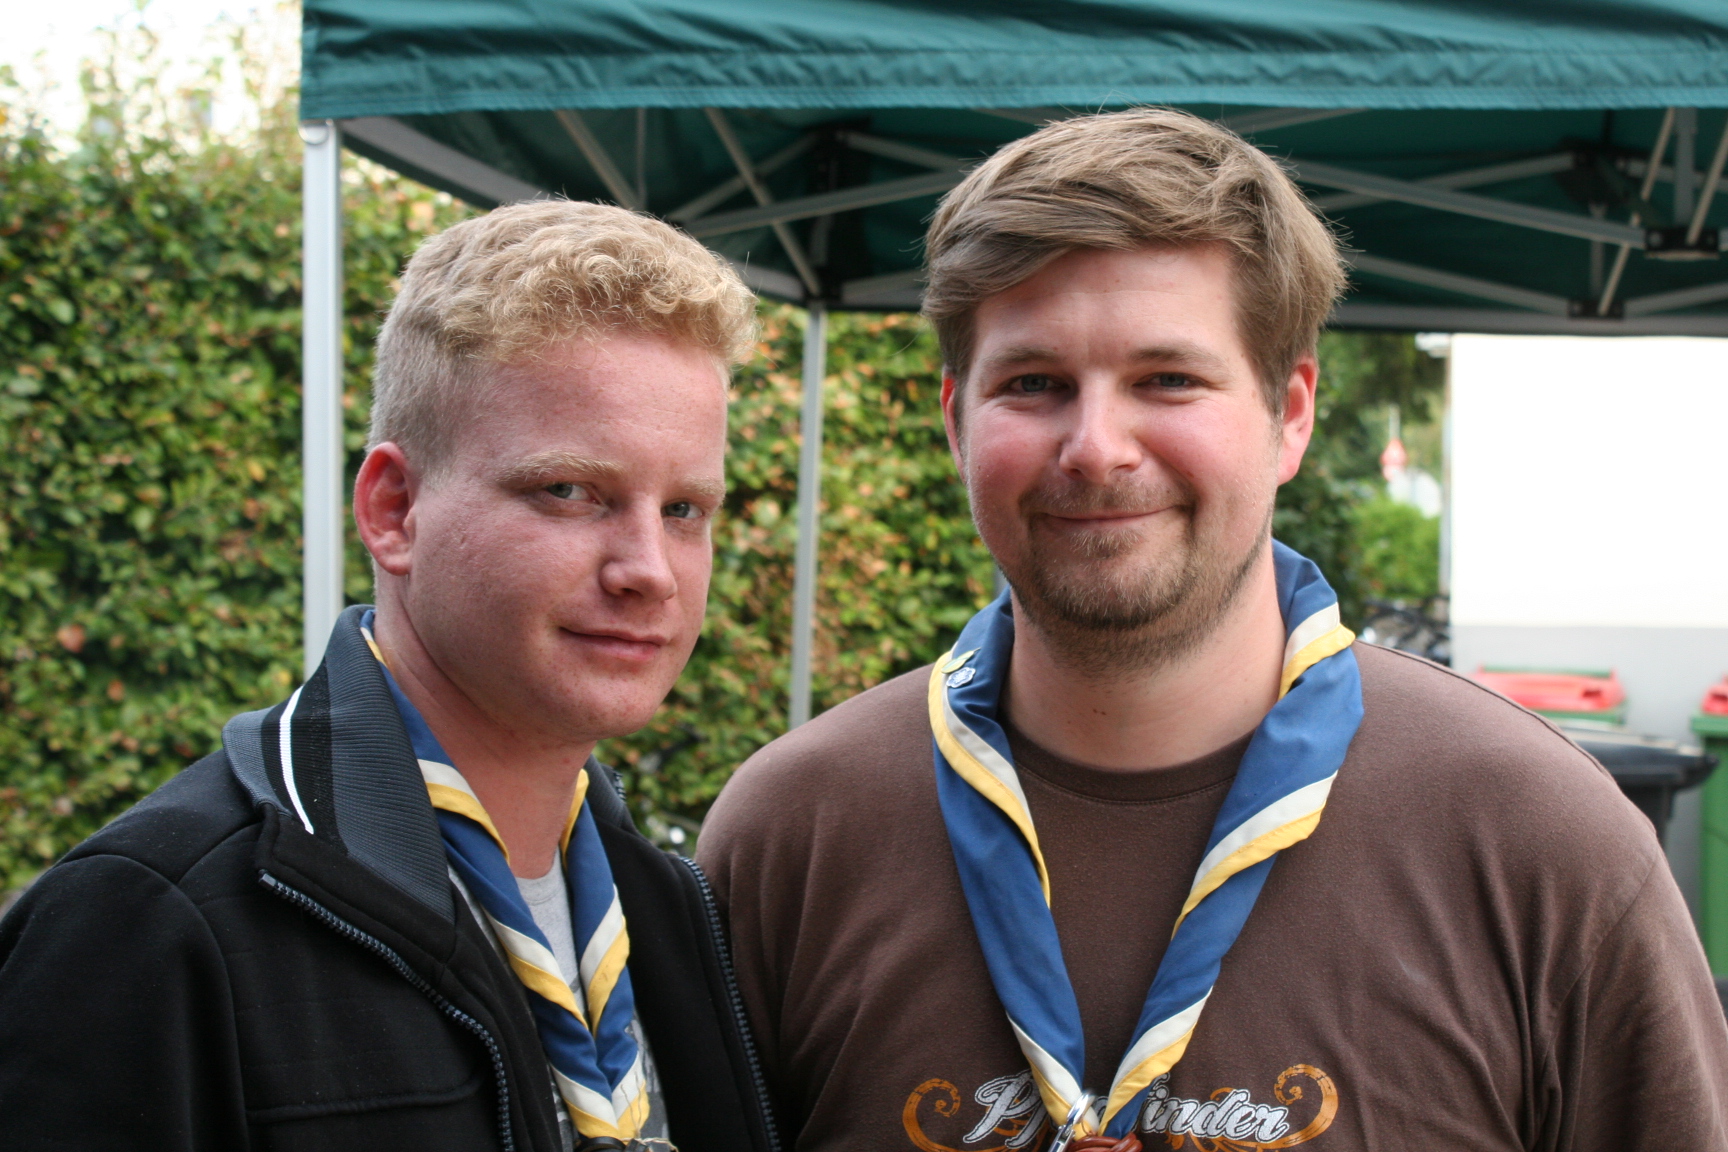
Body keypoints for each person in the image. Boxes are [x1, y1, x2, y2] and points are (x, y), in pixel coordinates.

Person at [697, 109, 1728, 1152]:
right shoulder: (792, 839)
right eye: (1035, 384)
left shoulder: (1540, 842)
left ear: (1291, 414)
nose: (1096, 448)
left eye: (1168, 380)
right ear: (958, 424)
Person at [0, 201, 777, 1152]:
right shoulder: (149, 924)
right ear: (394, 509)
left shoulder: (667, 906)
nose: (649, 570)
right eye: (569, 491)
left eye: (686, 509)